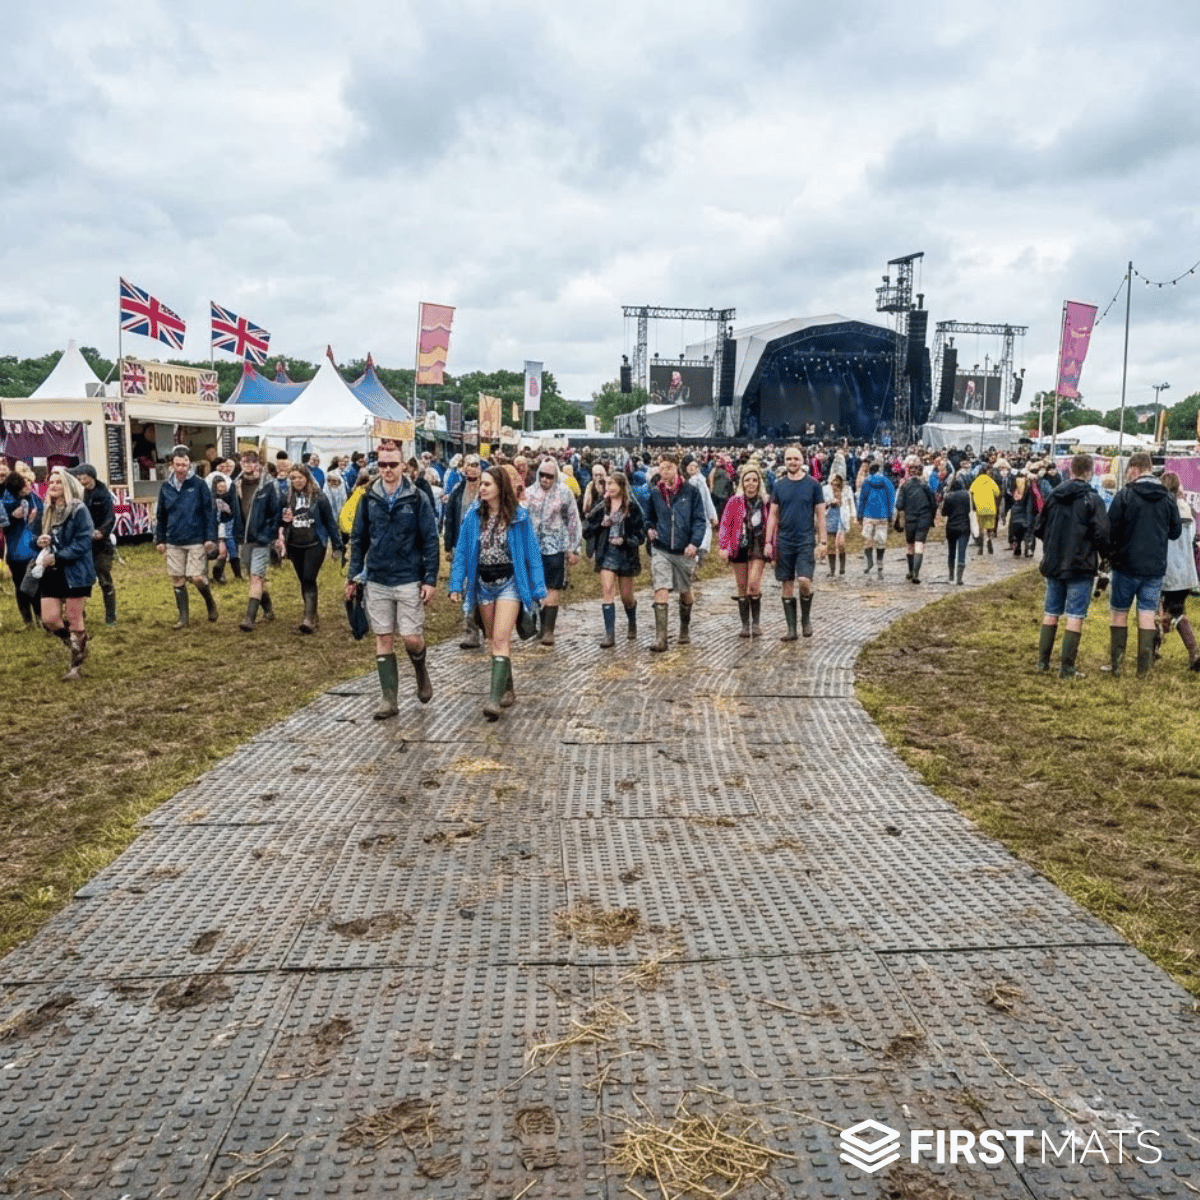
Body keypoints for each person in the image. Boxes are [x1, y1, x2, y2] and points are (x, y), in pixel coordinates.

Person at [345, 440, 440, 719]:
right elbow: (359, 538)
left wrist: (430, 579)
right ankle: (389, 698)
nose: (387, 470)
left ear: (403, 466)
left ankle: (420, 669)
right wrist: (353, 575)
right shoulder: (367, 497)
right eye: (382, 465)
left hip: (408, 576)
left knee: (411, 638)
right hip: (377, 577)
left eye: (392, 464)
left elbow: (430, 540)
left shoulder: (416, 497)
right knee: (383, 636)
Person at [448, 466, 547, 720]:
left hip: (510, 582)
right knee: (493, 640)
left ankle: (493, 701)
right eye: (481, 483)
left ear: (500, 488)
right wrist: (455, 584)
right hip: (483, 582)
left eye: (487, 484)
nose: (481, 488)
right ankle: (507, 686)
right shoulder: (473, 516)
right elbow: (461, 552)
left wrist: (538, 587)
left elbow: (532, 555)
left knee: (502, 638)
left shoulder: (518, 517)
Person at [1032, 453, 1109, 678]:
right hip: (1081, 564)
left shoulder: (1054, 496)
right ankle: (1066, 668)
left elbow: (1039, 527)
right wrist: (1104, 555)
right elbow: (1102, 533)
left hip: (1054, 561)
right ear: (1089, 471)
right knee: (1075, 615)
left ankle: (1042, 664)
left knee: (1050, 612)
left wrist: (1052, 543)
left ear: (1071, 470)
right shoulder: (1092, 499)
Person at [1106, 452, 1182, 677]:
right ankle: (1144, 668)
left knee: (1119, 612)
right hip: (1154, 567)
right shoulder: (1167, 497)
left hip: (1125, 565)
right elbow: (1176, 532)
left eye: (1129, 469)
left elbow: (1111, 529)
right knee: (1147, 613)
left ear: (1135, 468)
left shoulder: (1125, 495)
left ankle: (1117, 665)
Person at [34, 467, 97, 680]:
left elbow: (83, 542)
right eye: (51, 482)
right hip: (51, 571)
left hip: (76, 571)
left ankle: (75, 667)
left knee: (73, 618)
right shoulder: (46, 510)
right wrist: (39, 541)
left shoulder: (79, 510)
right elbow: (35, 534)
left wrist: (59, 556)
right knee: (50, 619)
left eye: (58, 482)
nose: (53, 486)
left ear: (67, 486)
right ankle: (73, 642)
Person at [645, 452, 707, 652]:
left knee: (686, 593)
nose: (664, 471)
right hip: (661, 548)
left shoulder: (691, 491)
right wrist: (649, 528)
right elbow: (648, 517)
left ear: (676, 468)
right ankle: (660, 638)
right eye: (661, 468)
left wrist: (694, 543)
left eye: (668, 467)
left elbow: (699, 520)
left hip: (684, 550)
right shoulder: (655, 493)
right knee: (660, 589)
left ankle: (684, 627)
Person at [765, 445, 826, 640]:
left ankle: (805, 619)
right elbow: (773, 515)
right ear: (784, 461)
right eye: (789, 459)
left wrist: (823, 541)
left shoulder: (813, 485)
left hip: (805, 539)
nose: (792, 462)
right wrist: (768, 541)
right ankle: (791, 629)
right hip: (784, 540)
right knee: (787, 584)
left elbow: (821, 515)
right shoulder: (779, 485)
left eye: (796, 459)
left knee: (804, 581)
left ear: (803, 461)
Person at [154, 445, 219, 629]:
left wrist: (210, 538)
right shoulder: (166, 487)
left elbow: (209, 512)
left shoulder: (199, 485)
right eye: (178, 465)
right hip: (174, 538)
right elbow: (161, 515)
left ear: (189, 464)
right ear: (172, 465)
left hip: (196, 537)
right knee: (177, 577)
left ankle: (209, 602)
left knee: (197, 577)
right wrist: (160, 539)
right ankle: (183, 617)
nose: (181, 468)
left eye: (185, 464)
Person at [524, 456, 582, 648]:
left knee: (553, 586)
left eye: (549, 476)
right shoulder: (528, 494)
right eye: (542, 475)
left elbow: (573, 520)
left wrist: (574, 548)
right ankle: (538, 625)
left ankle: (548, 629)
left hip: (556, 546)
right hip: (532, 547)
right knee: (535, 586)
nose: (545, 480)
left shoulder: (565, 494)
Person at [279, 463, 342, 634]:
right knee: (303, 580)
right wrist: (284, 523)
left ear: (306, 477)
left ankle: (308, 619)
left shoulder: (318, 496)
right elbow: (280, 519)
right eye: (293, 478)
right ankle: (312, 613)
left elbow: (330, 521)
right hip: (295, 543)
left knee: (309, 577)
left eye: (300, 477)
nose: (297, 481)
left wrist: (337, 545)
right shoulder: (287, 496)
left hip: (315, 542)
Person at [585, 470, 645, 646]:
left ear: (621, 486)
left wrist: (626, 540)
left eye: (613, 484)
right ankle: (609, 635)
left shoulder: (632, 508)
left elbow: (640, 534)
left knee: (626, 595)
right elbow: (586, 528)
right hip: (606, 553)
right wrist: (599, 525)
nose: (609, 487)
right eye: (607, 484)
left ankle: (632, 621)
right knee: (608, 591)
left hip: (626, 554)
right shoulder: (602, 506)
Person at [718, 462, 770, 637]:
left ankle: (756, 623)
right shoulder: (734, 502)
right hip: (738, 545)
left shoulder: (765, 502)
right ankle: (745, 625)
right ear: (742, 482)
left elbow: (773, 523)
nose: (751, 483)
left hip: (758, 545)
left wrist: (772, 545)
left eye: (754, 480)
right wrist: (723, 546)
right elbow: (726, 524)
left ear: (759, 482)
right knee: (741, 587)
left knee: (753, 585)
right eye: (747, 480)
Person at [232, 450, 281, 632]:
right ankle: (268, 609)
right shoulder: (236, 484)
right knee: (252, 577)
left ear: (258, 464)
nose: (247, 465)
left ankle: (249, 618)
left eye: (251, 462)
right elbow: (233, 510)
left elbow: (275, 513)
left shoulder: (267, 486)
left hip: (262, 539)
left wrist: (268, 535)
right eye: (244, 462)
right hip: (244, 539)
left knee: (256, 576)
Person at [1156, 471, 1200, 671]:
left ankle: (1150, 649)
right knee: (1177, 611)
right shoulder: (1187, 509)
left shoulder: (1161, 510)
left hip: (1166, 569)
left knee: (1153, 610)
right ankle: (1194, 654)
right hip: (1186, 570)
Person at [444, 453, 485, 649]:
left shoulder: (489, 489)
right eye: (469, 465)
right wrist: (448, 546)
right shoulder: (457, 491)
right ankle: (471, 632)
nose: (473, 469)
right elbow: (449, 519)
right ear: (464, 468)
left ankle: (489, 627)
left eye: (476, 465)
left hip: (486, 548)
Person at [68, 464, 117, 624]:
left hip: (101, 545)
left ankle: (111, 616)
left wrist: (101, 532)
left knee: (104, 579)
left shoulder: (104, 494)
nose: (79, 478)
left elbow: (111, 517)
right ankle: (79, 615)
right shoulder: (78, 493)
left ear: (91, 476)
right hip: (82, 544)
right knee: (81, 580)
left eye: (82, 475)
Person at [3, 472, 43, 629]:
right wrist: (12, 517)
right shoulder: (5, 502)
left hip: (33, 549)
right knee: (20, 586)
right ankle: (28, 620)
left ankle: (40, 617)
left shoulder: (34, 498)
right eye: (23, 487)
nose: (27, 487)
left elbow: (44, 513)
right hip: (15, 551)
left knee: (34, 584)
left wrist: (35, 518)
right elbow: (3, 526)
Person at [894, 461, 937, 584]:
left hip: (910, 519)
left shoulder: (904, 487)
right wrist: (931, 518)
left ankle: (910, 571)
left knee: (910, 545)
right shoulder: (925, 486)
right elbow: (933, 503)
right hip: (924, 517)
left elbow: (899, 505)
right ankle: (916, 573)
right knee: (919, 545)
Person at [857, 460, 895, 578]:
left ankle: (869, 561)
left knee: (867, 539)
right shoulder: (886, 481)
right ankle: (880, 563)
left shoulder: (866, 482)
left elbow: (862, 499)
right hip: (882, 515)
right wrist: (890, 514)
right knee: (880, 541)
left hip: (868, 514)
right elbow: (891, 498)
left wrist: (859, 514)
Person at [822, 473, 856, 578]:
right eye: (833, 483)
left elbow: (851, 503)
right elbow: (821, 504)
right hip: (830, 516)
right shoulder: (825, 489)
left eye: (837, 483)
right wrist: (829, 502)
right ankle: (832, 570)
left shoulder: (847, 490)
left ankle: (842, 568)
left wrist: (853, 516)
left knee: (841, 544)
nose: (835, 485)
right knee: (831, 544)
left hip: (842, 516)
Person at [941, 472, 973, 585]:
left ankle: (951, 575)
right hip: (964, 526)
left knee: (951, 552)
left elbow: (943, 513)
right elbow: (970, 510)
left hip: (951, 527)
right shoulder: (966, 495)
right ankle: (959, 578)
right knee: (962, 552)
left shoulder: (949, 496)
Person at [969, 467, 1001, 554]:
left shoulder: (976, 482)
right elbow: (997, 493)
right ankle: (989, 539)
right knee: (990, 526)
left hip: (980, 508)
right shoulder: (990, 481)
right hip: (991, 507)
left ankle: (981, 545)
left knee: (981, 527)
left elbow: (970, 492)